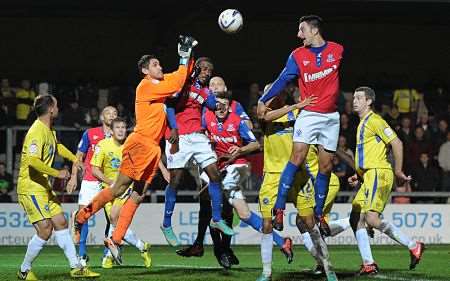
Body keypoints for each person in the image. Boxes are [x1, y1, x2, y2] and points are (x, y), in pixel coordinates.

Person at [72, 35, 198, 264]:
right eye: (155, 65)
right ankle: (81, 216)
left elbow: (181, 77)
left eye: (159, 64)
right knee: (118, 189)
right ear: (144, 71)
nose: (160, 67)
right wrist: (183, 56)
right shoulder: (147, 86)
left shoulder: (159, 85)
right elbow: (177, 83)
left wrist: (189, 56)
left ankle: (116, 240)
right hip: (140, 143)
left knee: (138, 196)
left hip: (152, 148)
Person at [258, 15, 344, 235]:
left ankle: (319, 214)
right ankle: (279, 208)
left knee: (326, 166)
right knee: (296, 158)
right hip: (309, 114)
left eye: (302, 30)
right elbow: (282, 80)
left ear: (314, 30)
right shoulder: (297, 55)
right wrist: (263, 99)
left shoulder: (337, 50)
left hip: (331, 117)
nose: (298, 35)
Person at [257, 87, 339, 281]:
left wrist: (297, 107)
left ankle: (328, 267)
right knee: (267, 224)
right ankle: (266, 272)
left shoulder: (299, 114)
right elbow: (263, 116)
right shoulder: (266, 115)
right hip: (273, 175)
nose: (274, 95)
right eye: (269, 93)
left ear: (284, 93)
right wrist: (290, 104)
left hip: (299, 176)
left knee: (310, 222)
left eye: (276, 92)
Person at [16, 94, 99, 280]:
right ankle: (24, 270)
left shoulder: (48, 130)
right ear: (51, 109)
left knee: (60, 222)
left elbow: (57, 146)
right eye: (57, 105)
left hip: (42, 186)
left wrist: (74, 159)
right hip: (30, 188)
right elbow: (32, 161)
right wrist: (57, 173)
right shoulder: (36, 131)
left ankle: (76, 267)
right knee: (45, 229)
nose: (59, 108)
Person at [175, 76, 250, 268]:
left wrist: (236, 124)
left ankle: (221, 247)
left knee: (226, 206)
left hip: (230, 163)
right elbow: (197, 127)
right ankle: (217, 248)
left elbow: (247, 126)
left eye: (219, 84)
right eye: (212, 84)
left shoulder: (234, 106)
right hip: (208, 160)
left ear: (226, 88)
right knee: (208, 204)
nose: (215, 86)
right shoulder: (204, 106)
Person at [349, 87, 425, 275]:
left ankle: (413, 245)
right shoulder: (362, 123)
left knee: (371, 218)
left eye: (359, 98)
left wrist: (398, 170)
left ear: (369, 102)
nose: (354, 101)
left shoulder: (375, 120)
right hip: (367, 175)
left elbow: (396, 143)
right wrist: (358, 175)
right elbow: (369, 154)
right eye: (354, 98)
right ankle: (369, 263)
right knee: (355, 217)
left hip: (378, 173)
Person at [161, 57, 234, 247]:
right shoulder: (183, 83)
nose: (207, 73)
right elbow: (169, 105)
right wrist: (174, 128)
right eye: (204, 69)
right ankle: (166, 224)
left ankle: (216, 218)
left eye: (210, 71)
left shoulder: (204, 90)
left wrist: (212, 92)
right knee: (175, 180)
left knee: (215, 175)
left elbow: (211, 105)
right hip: (179, 136)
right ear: (196, 68)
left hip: (197, 136)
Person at [90, 117, 151, 268]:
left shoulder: (130, 146)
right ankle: (141, 246)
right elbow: (94, 169)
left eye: (124, 127)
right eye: (118, 128)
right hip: (108, 190)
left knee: (113, 216)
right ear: (111, 131)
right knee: (115, 222)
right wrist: (111, 183)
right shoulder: (102, 145)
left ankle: (109, 257)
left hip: (125, 188)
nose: (121, 130)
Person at [72, 106, 118, 266]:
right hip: (90, 181)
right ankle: (82, 254)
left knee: (112, 218)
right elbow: (78, 157)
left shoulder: (119, 136)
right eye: (108, 113)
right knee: (83, 216)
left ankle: (108, 254)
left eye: (115, 114)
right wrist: (73, 177)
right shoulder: (90, 133)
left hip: (109, 182)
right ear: (101, 117)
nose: (111, 115)